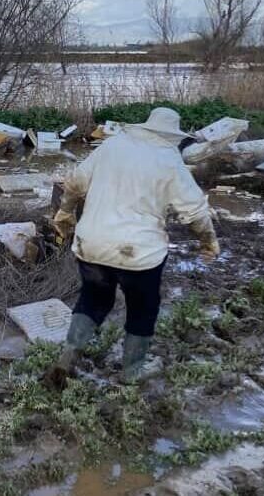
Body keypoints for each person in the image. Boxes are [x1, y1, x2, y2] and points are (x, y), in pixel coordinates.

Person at [52, 107, 219, 383]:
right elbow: (195, 212)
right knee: (143, 308)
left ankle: (68, 357)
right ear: (173, 135)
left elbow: (75, 183)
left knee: (93, 298)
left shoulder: (113, 144)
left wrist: (65, 212)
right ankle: (131, 372)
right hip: (139, 254)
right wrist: (208, 242)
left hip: (91, 245)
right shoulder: (169, 159)